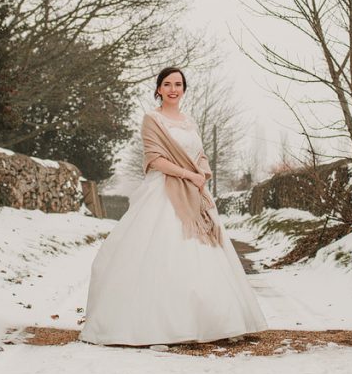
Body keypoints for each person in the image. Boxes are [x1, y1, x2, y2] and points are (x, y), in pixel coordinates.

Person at [79, 67, 268, 345]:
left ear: (184, 89)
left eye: (178, 84)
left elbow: (200, 154)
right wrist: (187, 175)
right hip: (163, 190)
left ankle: (212, 321)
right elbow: (155, 159)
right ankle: (159, 326)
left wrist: (202, 174)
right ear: (158, 89)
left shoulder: (189, 122)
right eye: (167, 84)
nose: (172, 89)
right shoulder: (152, 120)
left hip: (195, 191)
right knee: (160, 252)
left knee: (205, 253)